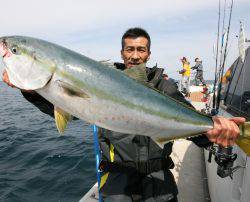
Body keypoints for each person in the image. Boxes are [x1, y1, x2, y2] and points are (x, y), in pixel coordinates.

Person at [2, 27, 245, 202]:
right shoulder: (103, 79)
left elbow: (190, 125)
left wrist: (214, 132)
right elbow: (71, 110)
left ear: (149, 54)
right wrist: (32, 93)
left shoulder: (165, 87)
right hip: (117, 179)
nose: (135, 55)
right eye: (130, 49)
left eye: (141, 50)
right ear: (122, 53)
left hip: (157, 177)